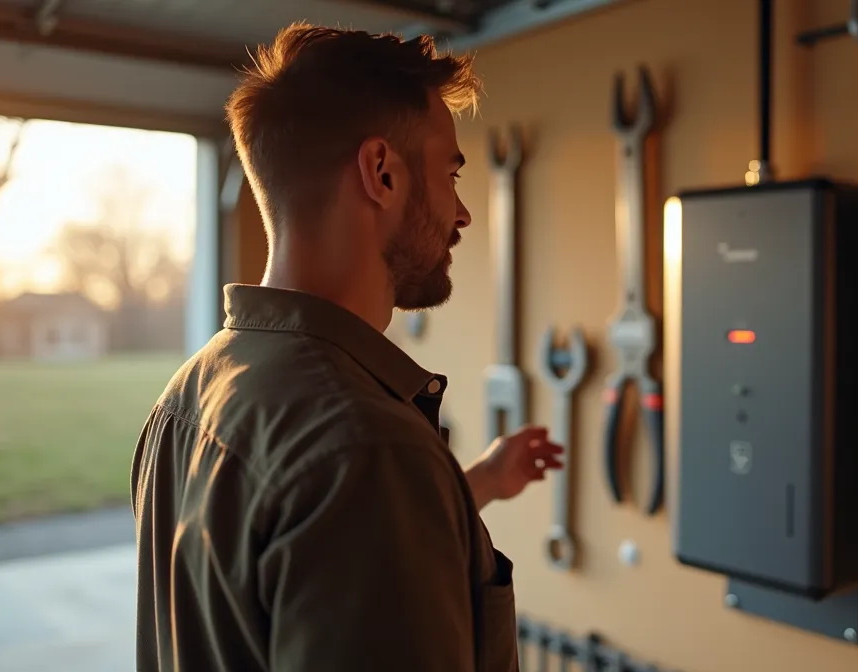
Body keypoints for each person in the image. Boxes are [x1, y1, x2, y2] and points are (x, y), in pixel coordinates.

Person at [129, 22, 561, 672]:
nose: (463, 212)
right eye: (450, 174)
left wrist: (478, 485)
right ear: (381, 173)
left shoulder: (192, 390)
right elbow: (350, 495)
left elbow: (304, 549)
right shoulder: (366, 446)